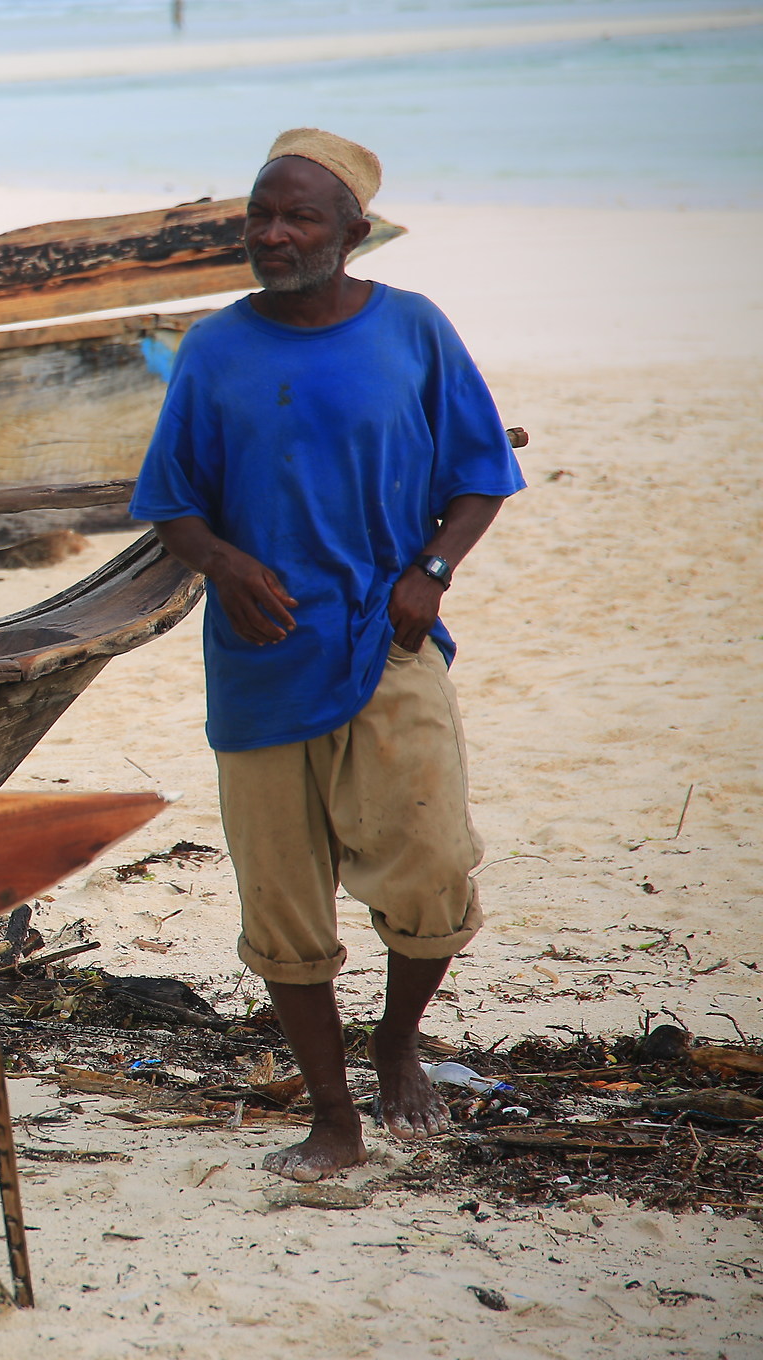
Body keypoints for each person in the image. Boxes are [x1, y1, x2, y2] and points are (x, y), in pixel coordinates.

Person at [128, 128, 525, 1181]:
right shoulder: (215, 348)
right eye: (260, 215)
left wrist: (429, 572)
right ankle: (332, 1113)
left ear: (353, 231)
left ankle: (397, 1042)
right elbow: (171, 503)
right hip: (261, 660)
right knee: (284, 900)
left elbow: (481, 471)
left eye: (298, 215)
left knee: (434, 867)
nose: (273, 233)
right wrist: (225, 564)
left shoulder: (413, 329)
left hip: (390, 641)